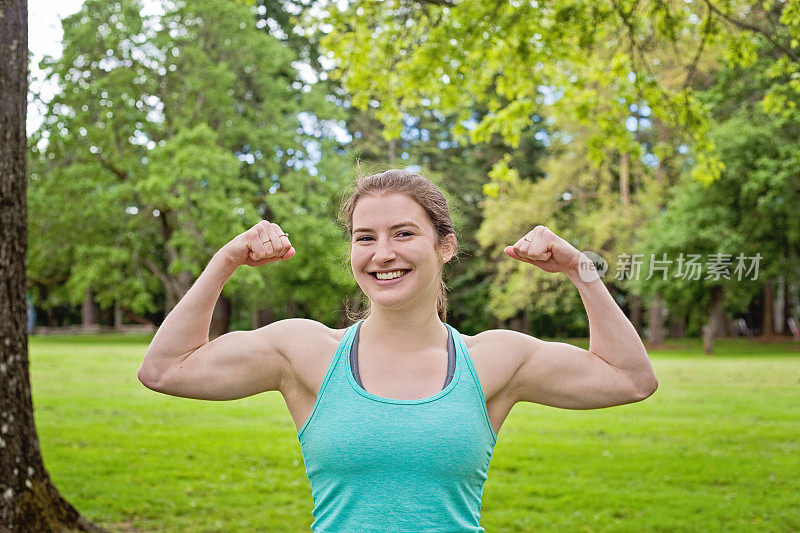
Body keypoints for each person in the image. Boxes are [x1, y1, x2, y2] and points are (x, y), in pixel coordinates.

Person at [138, 169, 658, 532]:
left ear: (444, 246)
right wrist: (225, 260)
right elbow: (165, 369)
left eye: (404, 233)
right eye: (365, 238)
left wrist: (578, 268)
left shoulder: (494, 360)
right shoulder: (304, 352)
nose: (382, 254)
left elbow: (631, 380)